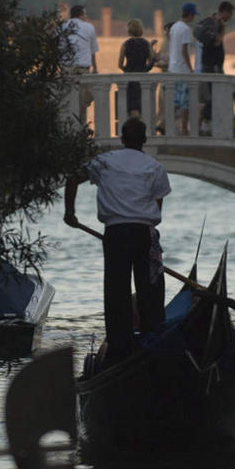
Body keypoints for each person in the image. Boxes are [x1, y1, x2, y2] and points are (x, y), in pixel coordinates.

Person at [64, 117, 171, 365]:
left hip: (115, 233)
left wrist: (70, 213)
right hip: (144, 232)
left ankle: (119, 347)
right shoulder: (154, 167)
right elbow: (158, 208)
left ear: (122, 139)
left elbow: (72, 178)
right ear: (144, 140)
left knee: (116, 292)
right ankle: (152, 342)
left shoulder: (104, 162)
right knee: (150, 291)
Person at [194, 0, 235, 133]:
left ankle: (206, 121)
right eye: (230, 14)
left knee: (215, 95)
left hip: (207, 64)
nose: (230, 17)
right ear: (225, 12)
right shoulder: (217, 23)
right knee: (219, 95)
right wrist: (223, 30)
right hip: (213, 65)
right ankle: (203, 119)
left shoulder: (209, 20)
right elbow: (217, 42)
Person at [61, 4, 99, 119]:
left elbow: (60, 48)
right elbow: (93, 51)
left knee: (67, 103)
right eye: (85, 14)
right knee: (83, 104)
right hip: (83, 70)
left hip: (67, 68)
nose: (86, 17)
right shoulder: (89, 27)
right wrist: (95, 68)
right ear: (81, 15)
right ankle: (82, 129)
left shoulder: (63, 27)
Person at [168, 3, 197, 135]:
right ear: (190, 14)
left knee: (175, 101)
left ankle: (172, 127)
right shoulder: (186, 29)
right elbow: (184, 50)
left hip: (172, 68)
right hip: (182, 70)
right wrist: (191, 69)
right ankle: (184, 128)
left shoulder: (174, 27)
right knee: (185, 103)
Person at [118, 18, 156, 116]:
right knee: (143, 105)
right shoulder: (146, 43)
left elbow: (120, 64)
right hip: (143, 77)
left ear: (129, 30)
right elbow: (152, 59)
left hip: (130, 79)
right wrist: (146, 69)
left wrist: (126, 70)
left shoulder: (126, 44)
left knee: (131, 106)